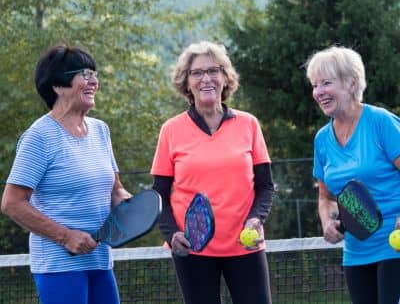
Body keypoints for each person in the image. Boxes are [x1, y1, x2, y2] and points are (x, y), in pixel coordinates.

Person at [1, 43, 131, 304]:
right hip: (59, 265)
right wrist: (66, 236)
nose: (93, 81)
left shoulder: (100, 130)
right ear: (58, 86)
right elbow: (11, 203)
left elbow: (115, 189)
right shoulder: (39, 137)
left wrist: (134, 207)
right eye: (84, 74)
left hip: (100, 260)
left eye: (94, 74)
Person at [151, 41, 274, 304]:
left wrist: (256, 219)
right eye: (197, 72)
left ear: (225, 78)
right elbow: (158, 194)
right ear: (186, 82)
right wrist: (172, 234)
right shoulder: (171, 130)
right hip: (193, 250)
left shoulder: (249, 124)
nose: (206, 78)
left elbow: (265, 187)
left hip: (245, 246)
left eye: (214, 70)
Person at [305, 46, 400, 304]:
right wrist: (327, 222)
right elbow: (326, 198)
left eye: (326, 83)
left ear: (351, 83)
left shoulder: (381, 122)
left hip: (395, 247)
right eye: (315, 85)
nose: (319, 92)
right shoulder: (322, 140)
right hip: (356, 252)